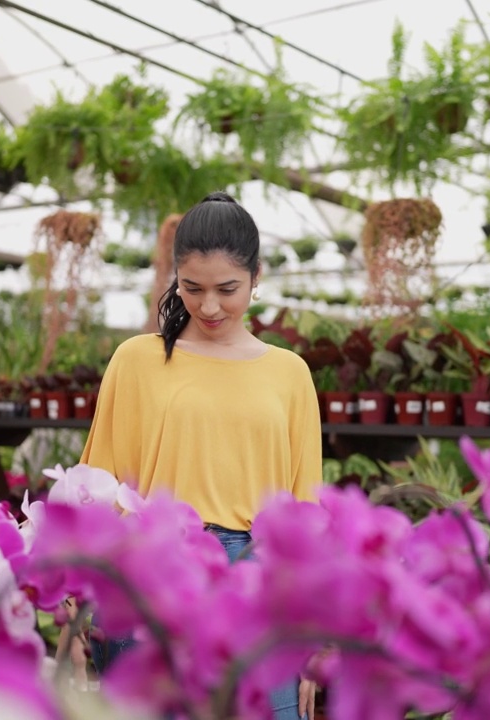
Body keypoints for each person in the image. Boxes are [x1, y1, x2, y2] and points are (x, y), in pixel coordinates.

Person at [74, 191, 322, 720]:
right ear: (175, 279)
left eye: (227, 289)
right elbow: (94, 486)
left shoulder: (290, 374)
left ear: (257, 277)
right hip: (151, 578)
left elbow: (307, 510)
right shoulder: (137, 361)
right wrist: (74, 604)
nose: (209, 307)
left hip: (261, 585)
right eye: (192, 288)